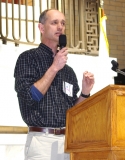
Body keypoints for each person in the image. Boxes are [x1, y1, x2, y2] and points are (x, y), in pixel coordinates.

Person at [14, 9, 95, 160]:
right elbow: (29, 97)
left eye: (63, 23)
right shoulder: (28, 59)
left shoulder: (68, 71)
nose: (60, 27)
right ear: (41, 28)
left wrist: (85, 92)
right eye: (54, 22)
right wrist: (54, 67)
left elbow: (73, 113)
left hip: (67, 142)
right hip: (41, 141)